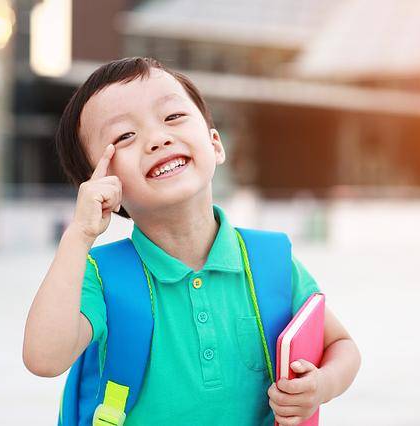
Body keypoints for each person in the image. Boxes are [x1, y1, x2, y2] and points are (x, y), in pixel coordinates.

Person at [22, 56, 361, 425]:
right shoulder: (102, 278)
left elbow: (341, 346)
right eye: (125, 136)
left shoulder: (269, 263)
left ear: (215, 144)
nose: (157, 138)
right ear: (103, 183)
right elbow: (44, 358)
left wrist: (321, 385)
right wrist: (79, 234)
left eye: (172, 117)